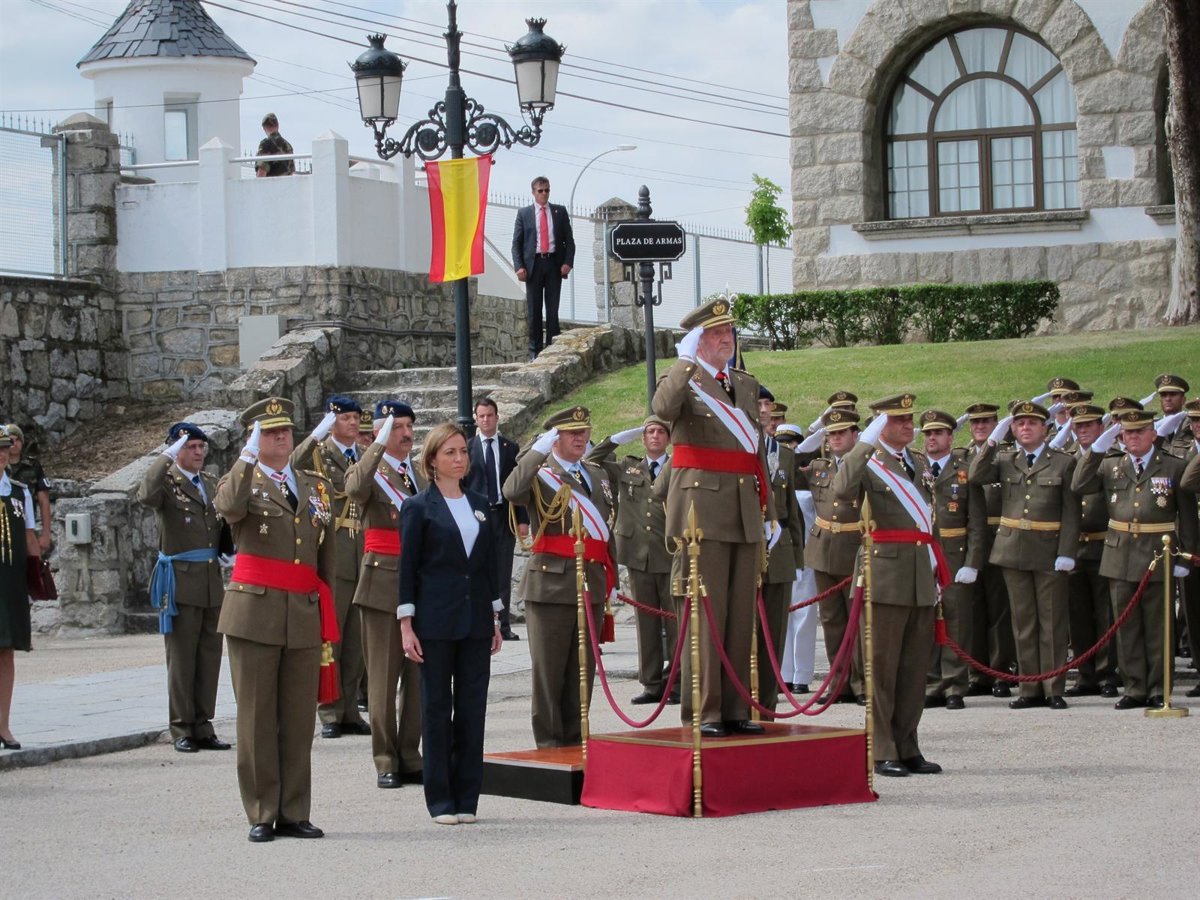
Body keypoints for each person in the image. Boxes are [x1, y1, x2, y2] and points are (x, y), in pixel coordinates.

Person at [651, 297, 777, 738]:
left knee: (740, 615)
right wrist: (685, 362)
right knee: (706, 614)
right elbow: (662, 410)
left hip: (743, 509)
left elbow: (755, 450)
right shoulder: (683, 379)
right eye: (716, 333)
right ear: (697, 340)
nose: (727, 339)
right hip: (701, 511)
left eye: (729, 332)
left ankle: (735, 706)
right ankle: (705, 709)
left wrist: (770, 511)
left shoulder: (745, 383)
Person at [216, 397, 336, 843]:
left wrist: (326, 612)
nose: (281, 436)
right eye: (269, 432)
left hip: (302, 611)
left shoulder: (314, 485)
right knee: (257, 717)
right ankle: (262, 810)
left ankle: (294, 810)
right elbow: (229, 508)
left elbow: (325, 554)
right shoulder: (240, 480)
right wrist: (247, 456)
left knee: (299, 719)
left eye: (284, 429)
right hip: (255, 613)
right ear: (254, 439)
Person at [832, 395, 943, 777]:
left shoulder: (918, 462)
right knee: (882, 668)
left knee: (914, 668)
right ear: (881, 425)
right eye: (898, 420)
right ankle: (882, 748)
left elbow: (929, 521)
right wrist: (864, 442)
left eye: (909, 419)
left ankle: (908, 744)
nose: (908, 425)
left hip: (919, 575)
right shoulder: (869, 460)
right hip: (884, 576)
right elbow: (842, 488)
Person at [398, 423, 503, 825]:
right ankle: (440, 798)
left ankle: (467, 796)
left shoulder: (479, 503)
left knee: (473, 709)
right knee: (437, 708)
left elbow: (488, 566)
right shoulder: (418, 507)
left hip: (475, 619)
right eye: (450, 453)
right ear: (432, 460)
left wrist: (495, 616)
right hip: (436, 620)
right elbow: (408, 568)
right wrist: (406, 624)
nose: (459, 459)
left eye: (463, 451)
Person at [502, 405, 615, 749]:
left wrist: (611, 577)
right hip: (551, 584)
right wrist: (537, 452)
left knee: (582, 671)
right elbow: (511, 491)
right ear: (555, 439)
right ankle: (550, 744)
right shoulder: (540, 474)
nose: (580, 438)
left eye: (584, 432)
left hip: (591, 581)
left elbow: (605, 530)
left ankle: (576, 739)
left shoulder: (595, 473)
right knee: (549, 673)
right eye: (571, 433)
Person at [1079, 409, 1198, 708]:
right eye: (1128, 432)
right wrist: (1097, 449)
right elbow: (1079, 484)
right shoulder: (1111, 465)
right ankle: (1135, 687)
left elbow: (1187, 518)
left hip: (1158, 552)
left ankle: (1159, 688)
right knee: (1126, 627)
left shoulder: (1173, 465)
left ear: (1153, 434)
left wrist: (1186, 557)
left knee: (1158, 626)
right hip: (1119, 554)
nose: (1132, 437)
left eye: (1139, 431)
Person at [969, 401, 1080, 711]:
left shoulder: (1063, 462)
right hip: (1013, 549)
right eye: (1019, 424)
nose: (1026, 428)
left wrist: (1067, 552)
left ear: (1045, 429)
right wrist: (993, 440)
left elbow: (1071, 512)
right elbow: (976, 476)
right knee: (1023, 622)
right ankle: (1029, 688)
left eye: (1032, 423)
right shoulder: (1006, 460)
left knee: (1052, 622)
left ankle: (1053, 686)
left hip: (1048, 550)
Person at [135, 422, 230, 753]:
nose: (198, 452)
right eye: (191, 447)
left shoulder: (209, 482)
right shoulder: (167, 483)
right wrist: (167, 456)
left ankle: (203, 724)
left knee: (209, 657)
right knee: (182, 658)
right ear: (176, 450)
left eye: (201, 446)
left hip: (210, 580)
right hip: (181, 580)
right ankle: (180, 726)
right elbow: (145, 494)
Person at [345, 400, 425, 788]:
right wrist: (376, 445)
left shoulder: (420, 474)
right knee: (383, 677)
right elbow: (354, 488)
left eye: (409, 426)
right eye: (397, 427)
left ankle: (410, 754)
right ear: (379, 433)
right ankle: (385, 758)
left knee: (418, 676)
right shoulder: (369, 470)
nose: (406, 434)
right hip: (383, 584)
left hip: (422, 584)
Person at [291, 396, 369, 739]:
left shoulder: (364, 455)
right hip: (335, 552)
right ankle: (330, 711)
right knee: (331, 638)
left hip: (363, 552)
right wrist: (315, 436)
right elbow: (293, 464)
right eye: (345, 418)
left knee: (357, 642)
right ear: (331, 422)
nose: (352, 423)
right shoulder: (319, 455)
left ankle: (350, 709)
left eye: (355, 417)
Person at [589, 416, 679, 705]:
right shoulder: (628, 467)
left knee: (676, 623)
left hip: (670, 553)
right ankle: (651, 683)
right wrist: (618, 438)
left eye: (661, 432)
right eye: (649, 431)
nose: (655, 436)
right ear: (642, 437)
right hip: (638, 553)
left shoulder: (677, 466)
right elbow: (592, 460)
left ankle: (675, 683)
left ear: (668, 438)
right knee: (646, 623)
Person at [796, 408, 866, 704]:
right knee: (832, 621)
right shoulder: (819, 466)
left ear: (855, 435)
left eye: (841, 433)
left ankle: (861, 683)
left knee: (858, 622)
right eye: (831, 434)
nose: (835, 439)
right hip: (823, 549)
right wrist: (809, 438)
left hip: (854, 548)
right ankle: (839, 683)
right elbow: (786, 469)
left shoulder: (866, 464)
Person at [919, 410, 986, 711]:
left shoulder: (965, 470)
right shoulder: (915, 469)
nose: (932, 438)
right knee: (927, 621)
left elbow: (976, 522)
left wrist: (972, 561)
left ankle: (955, 685)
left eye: (938, 433)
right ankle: (932, 683)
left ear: (950, 436)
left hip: (955, 554)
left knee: (956, 622)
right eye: (928, 434)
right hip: (923, 553)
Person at [1064, 404, 1121, 698]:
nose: (1083, 430)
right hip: (1075, 547)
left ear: (1101, 427)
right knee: (1079, 616)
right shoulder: (1066, 459)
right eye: (1079, 426)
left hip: (1103, 544)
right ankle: (1085, 674)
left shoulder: (1113, 459)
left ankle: (1106, 673)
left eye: (1089, 425)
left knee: (1105, 615)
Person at [961, 403, 1016, 698]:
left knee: (999, 611)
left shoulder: (1006, 455)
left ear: (996, 424)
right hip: (971, 540)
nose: (980, 426)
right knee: (973, 610)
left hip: (998, 537)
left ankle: (1000, 672)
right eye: (976, 422)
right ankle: (977, 673)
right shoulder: (962, 456)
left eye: (986, 421)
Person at [466, 397, 527, 640]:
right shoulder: (467, 448)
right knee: (476, 569)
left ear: (497, 417)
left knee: (502, 571)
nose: (485, 420)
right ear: (475, 419)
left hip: (503, 516)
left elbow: (519, 486)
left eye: (489, 415)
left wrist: (522, 519)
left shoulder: (509, 448)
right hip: (476, 517)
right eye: (481, 416)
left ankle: (502, 625)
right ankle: (478, 622)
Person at [758, 402, 804, 716]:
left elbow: (792, 511)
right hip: (748, 546)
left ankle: (768, 701)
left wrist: (797, 558)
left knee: (774, 631)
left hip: (780, 547)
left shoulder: (784, 455)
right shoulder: (742, 448)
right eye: (759, 406)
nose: (765, 414)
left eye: (768, 408)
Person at [773, 423, 819, 694]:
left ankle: (801, 673)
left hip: (806, 552)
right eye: (782, 444)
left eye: (791, 443)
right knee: (782, 616)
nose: (787, 449)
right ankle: (784, 674)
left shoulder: (808, 475)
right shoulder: (776, 474)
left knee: (804, 614)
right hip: (781, 552)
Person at [511, 176, 574, 359]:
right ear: (533, 192)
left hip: (554, 264)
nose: (544, 194)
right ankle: (535, 352)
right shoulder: (524, 214)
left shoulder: (559, 212)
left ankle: (552, 350)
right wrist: (519, 267)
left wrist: (567, 263)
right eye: (540, 191)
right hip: (534, 265)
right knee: (534, 310)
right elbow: (516, 244)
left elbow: (569, 242)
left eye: (547, 190)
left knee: (552, 311)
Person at [0, 427, 36, 751]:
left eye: (3, 449)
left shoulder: (18, 492)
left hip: (10, 581)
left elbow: (29, 536)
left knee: (6, 649)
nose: (1, 455)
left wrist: (37, 576)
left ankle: (3, 725)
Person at [4, 425, 51, 559]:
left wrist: (46, 534)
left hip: (27, 529)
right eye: (10, 440)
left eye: (17, 439)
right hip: (4, 528)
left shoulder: (33, 466)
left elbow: (44, 501)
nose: (14, 443)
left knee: (33, 566)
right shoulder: (1, 467)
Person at [256, 113, 295, 177]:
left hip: (271, 183)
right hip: (287, 182)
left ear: (264, 128)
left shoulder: (266, 144)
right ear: (278, 125)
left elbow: (262, 172)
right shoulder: (288, 146)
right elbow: (292, 172)